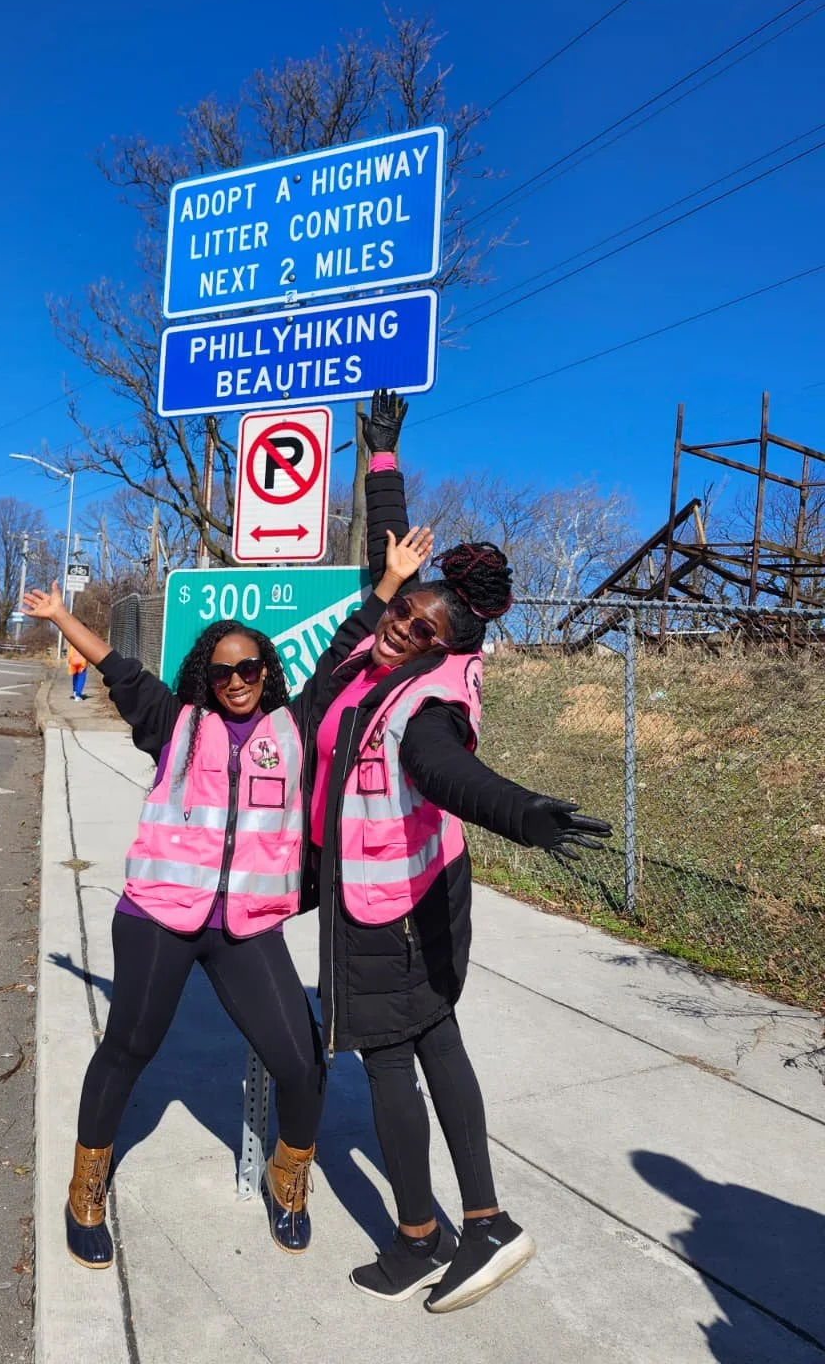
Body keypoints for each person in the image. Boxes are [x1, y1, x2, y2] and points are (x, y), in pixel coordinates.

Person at [23, 502, 434, 1273]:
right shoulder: (173, 722)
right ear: (206, 678)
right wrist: (58, 617)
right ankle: (86, 1187)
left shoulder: (294, 726)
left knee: (303, 1061)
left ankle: (289, 1175)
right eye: (224, 672)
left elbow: (346, 653)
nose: (239, 680)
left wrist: (390, 581)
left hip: (246, 926)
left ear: (267, 674)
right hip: (158, 918)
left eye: (251, 669)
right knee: (129, 1048)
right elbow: (116, 666)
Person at [308, 394, 613, 1315]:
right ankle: (461, 1224)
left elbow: (444, 772)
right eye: (400, 618)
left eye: (419, 631)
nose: (400, 628)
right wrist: (385, 463)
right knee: (430, 1040)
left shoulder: (428, 701)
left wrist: (524, 814)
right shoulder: (384, 646)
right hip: (402, 888)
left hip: (392, 902)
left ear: (452, 646)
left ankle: (441, 1234)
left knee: (393, 1057)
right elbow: (388, 570)